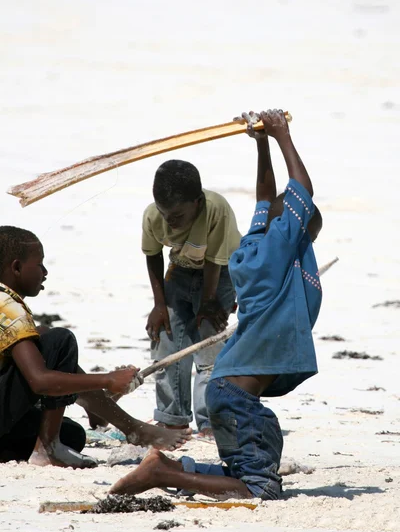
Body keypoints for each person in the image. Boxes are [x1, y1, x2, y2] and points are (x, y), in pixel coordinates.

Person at [110, 109, 323, 500]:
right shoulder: (278, 251)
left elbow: (265, 196)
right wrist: (282, 136)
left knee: (248, 463)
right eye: (309, 232)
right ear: (292, 228)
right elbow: (302, 192)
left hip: (230, 390)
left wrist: (260, 144)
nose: (308, 238)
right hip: (237, 396)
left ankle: (178, 468)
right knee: (260, 489)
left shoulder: (256, 244)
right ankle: (161, 472)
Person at [0, 226, 191, 467]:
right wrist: (107, 380)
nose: (45, 272)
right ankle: (49, 447)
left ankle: (96, 409)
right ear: (16, 268)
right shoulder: (9, 307)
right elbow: (39, 380)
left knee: (73, 434)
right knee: (59, 340)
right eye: (40, 264)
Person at [142, 159, 241, 437]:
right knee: (166, 340)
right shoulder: (153, 216)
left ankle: (211, 421)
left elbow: (214, 260)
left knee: (208, 343)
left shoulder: (216, 209)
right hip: (182, 269)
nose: (169, 222)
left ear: (197, 202)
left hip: (220, 272)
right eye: (164, 214)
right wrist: (160, 305)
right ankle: (173, 417)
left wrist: (209, 303)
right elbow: (152, 256)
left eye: (177, 216)